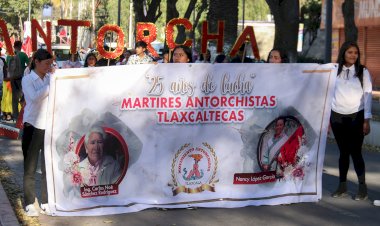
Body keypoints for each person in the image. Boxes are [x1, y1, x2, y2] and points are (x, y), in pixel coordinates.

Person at [330, 41, 372, 200]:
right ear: (343, 54)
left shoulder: (363, 71)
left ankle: (363, 189)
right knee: (343, 153)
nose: (353, 55)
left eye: (356, 53)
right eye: (350, 52)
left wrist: (366, 119)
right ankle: (342, 187)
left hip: (356, 116)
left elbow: (367, 95)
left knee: (356, 152)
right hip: (336, 116)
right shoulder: (333, 71)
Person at [21, 49, 53, 217]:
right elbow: (33, 98)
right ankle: (28, 202)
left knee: (47, 167)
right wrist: (51, 85)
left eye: (50, 63)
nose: (49, 66)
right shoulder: (27, 79)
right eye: (46, 63)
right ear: (36, 62)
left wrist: (53, 81)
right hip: (32, 127)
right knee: (30, 168)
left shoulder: (50, 78)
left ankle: (47, 201)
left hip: (49, 126)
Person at [6, 41, 29, 120]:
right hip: (21, 78)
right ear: (20, 46)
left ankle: (16, 116)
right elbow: (29, 65)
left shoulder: (9, 56)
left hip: (12, 78)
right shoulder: (23, 55)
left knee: (14, 98)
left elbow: (7, 67)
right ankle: (23, 114)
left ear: (14, 46)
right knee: (24, 95)